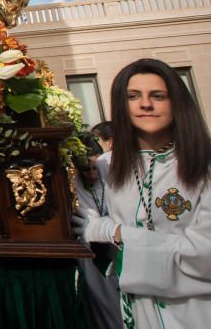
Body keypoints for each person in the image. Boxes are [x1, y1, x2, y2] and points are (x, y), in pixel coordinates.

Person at [74, 58, 211, 328]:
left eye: (157, 96)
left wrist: (117, 233)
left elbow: (204, 256)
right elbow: (87, 232)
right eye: (133, 96)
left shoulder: (203, 166)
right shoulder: (105, 167)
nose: (145, 104)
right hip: (137, 314)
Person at [73, 142, 122, 329]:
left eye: (95, 168)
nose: (93, 174)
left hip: (115, 248)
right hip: (91, 255)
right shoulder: (75, 190)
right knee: (102, 303)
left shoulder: (109, 185)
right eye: (86, 169)